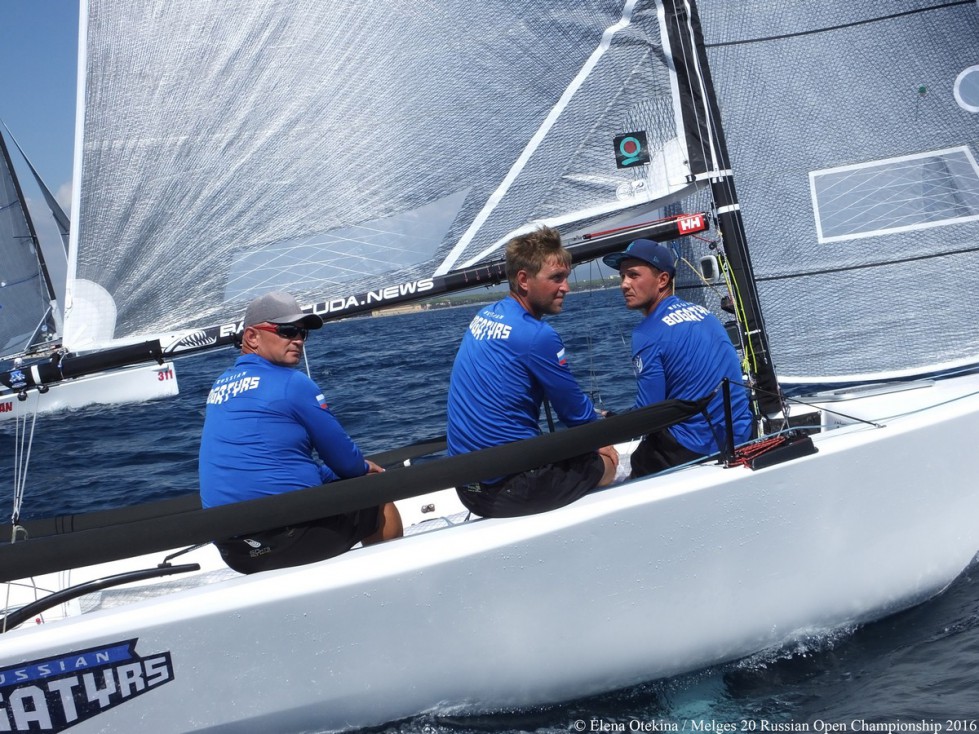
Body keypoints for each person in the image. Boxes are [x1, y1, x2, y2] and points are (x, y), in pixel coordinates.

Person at [198, 291, 402, 574]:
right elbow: (347, 464)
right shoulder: (292, 383)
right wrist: (364, 468)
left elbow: (275, 462)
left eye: (302, 333)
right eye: (287, 331)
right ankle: (392, 582)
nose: (298, 340)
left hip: (235, 552)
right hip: (289, 541)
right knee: (376, 491)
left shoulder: (220, 386)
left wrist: (330, 474)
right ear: (252, 337)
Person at [446, 226, 618, 518]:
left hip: (467, 487)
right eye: (556, 278)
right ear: (524, 280)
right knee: (608, 463)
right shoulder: (537, 335)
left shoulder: (484, 315)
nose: (566, 288)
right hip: (511, 489)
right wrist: (602, 437)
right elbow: (576, 416)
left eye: (566, 277)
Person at [602, 239, 753, 477]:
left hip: (694, 448)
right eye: (622, 276)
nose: (624, 284)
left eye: (633, 275)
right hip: (742, 435)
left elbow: (647, 417)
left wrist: (607, 421)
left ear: (662, 280)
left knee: (631, 467)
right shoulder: (706, 315)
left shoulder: (646, 333)